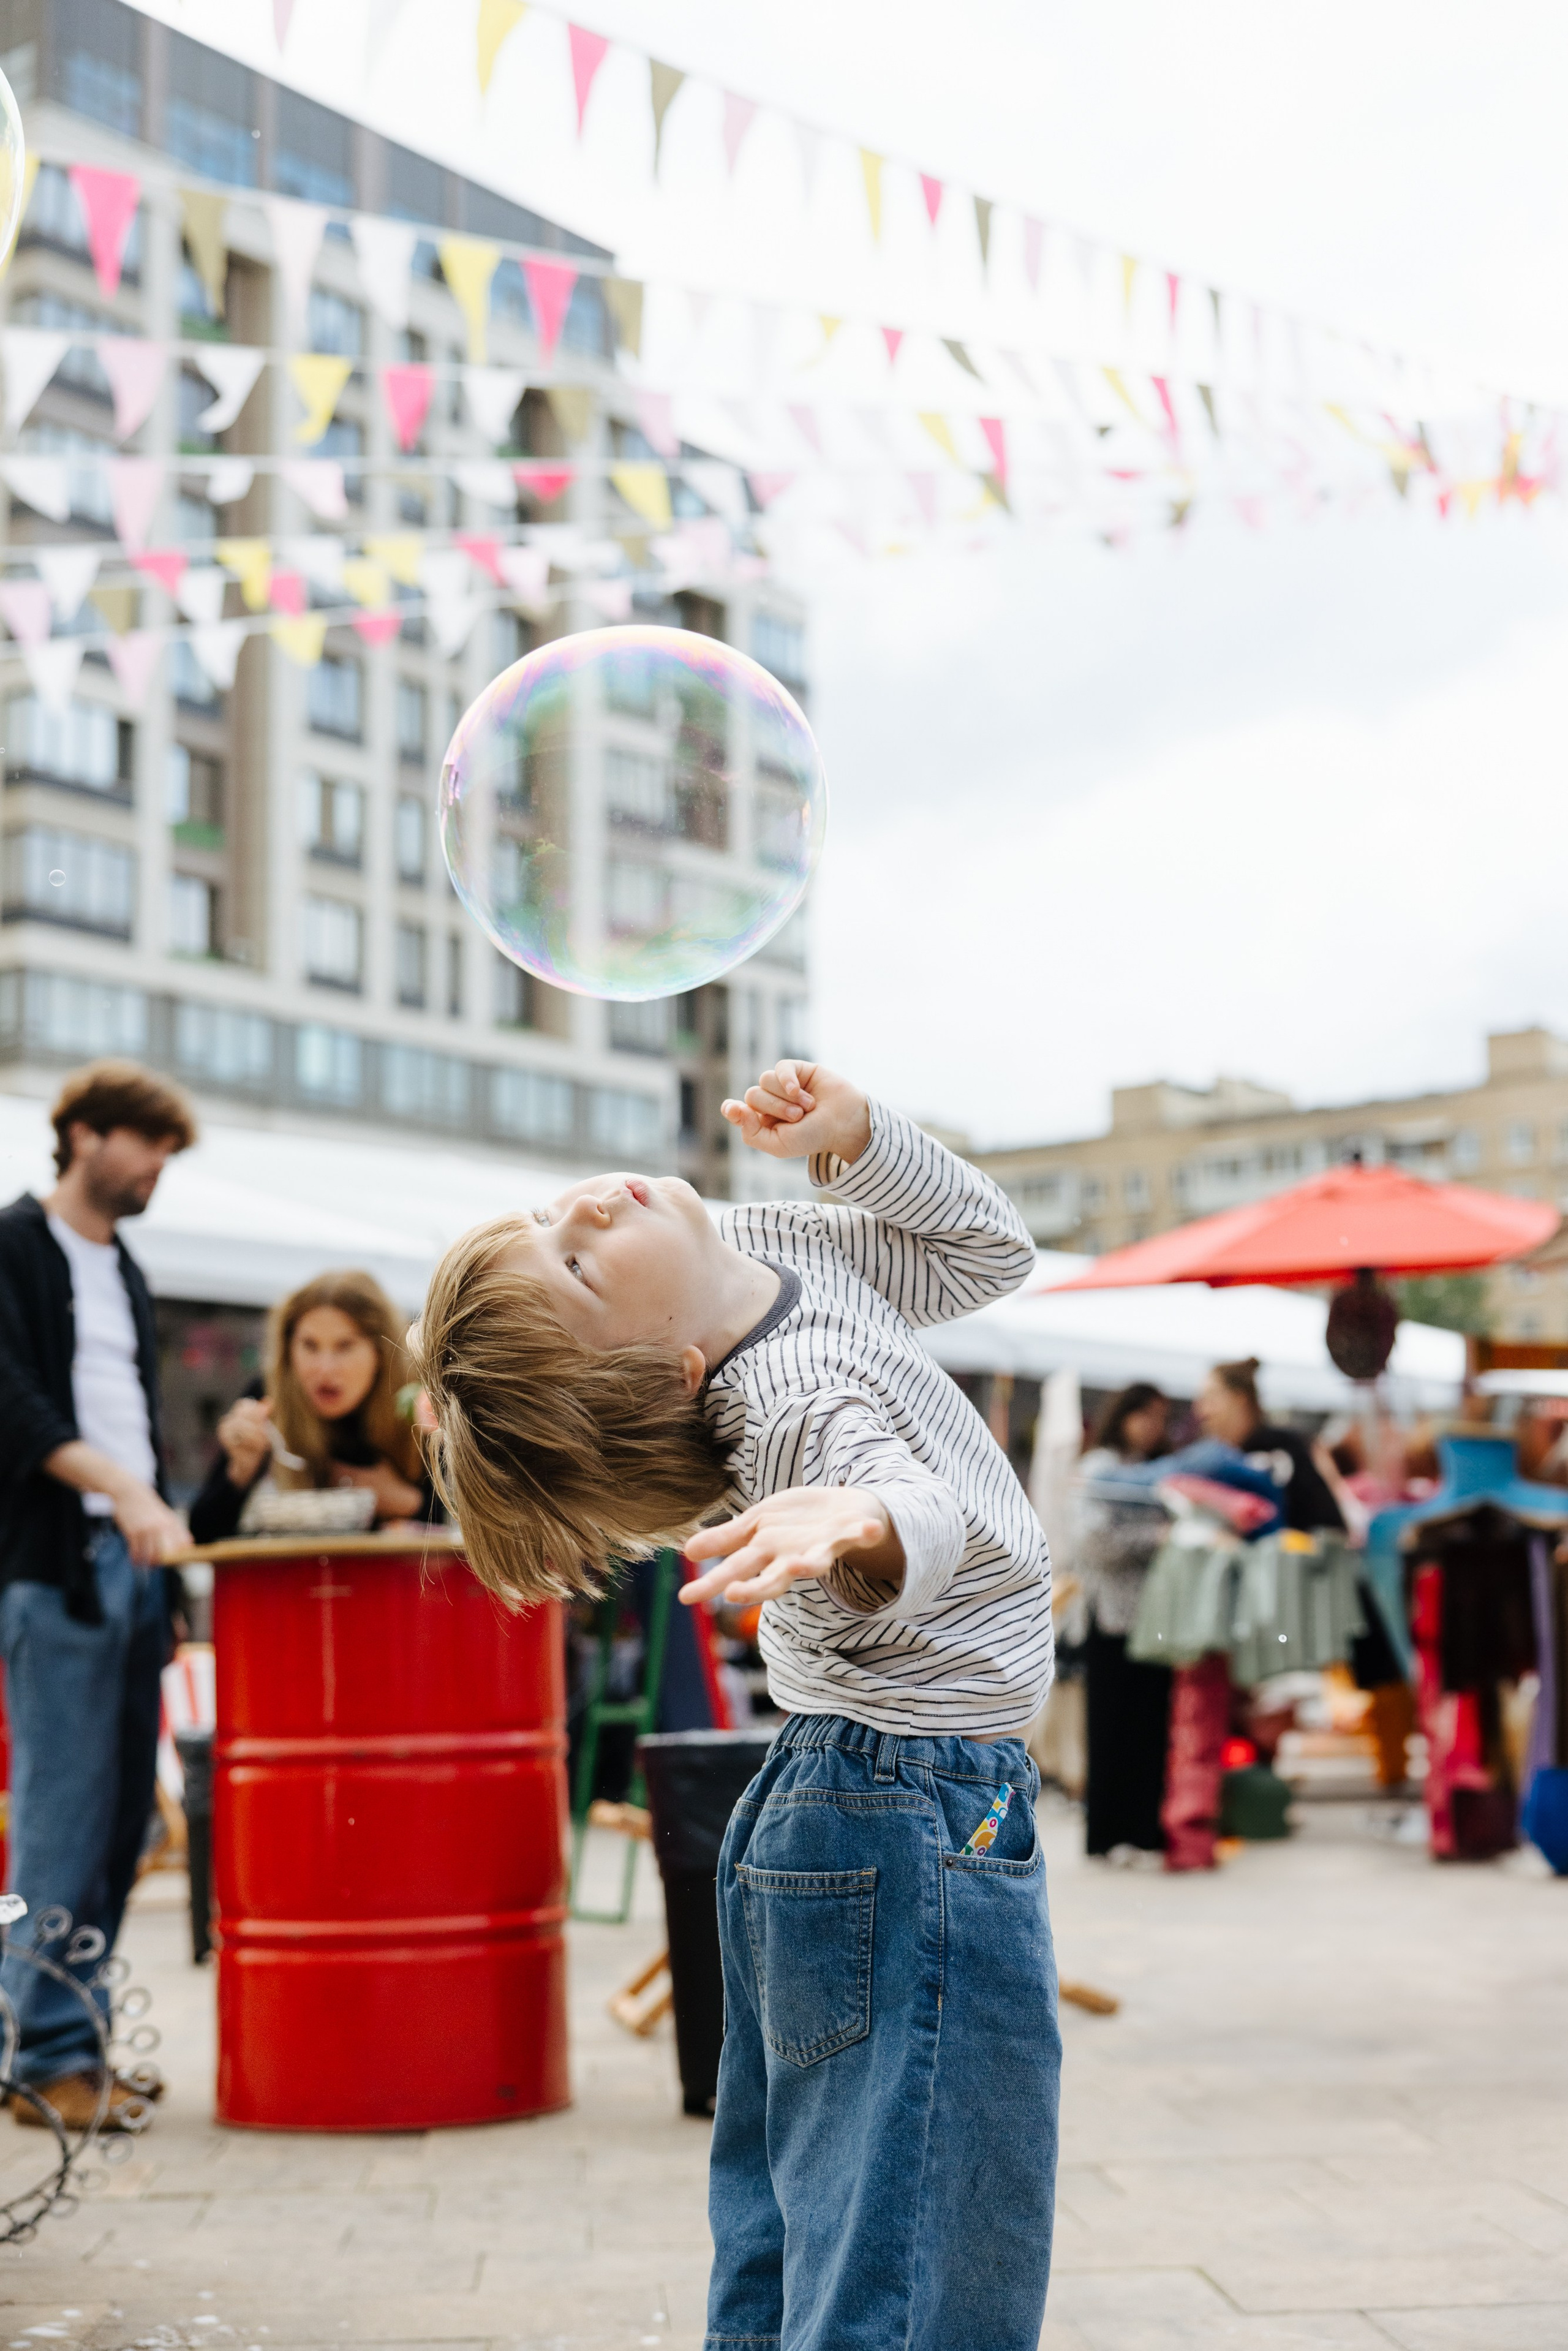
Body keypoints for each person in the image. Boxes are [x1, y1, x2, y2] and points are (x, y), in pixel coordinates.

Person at [410, 1059, 1060, 2351]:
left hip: (841, 1806)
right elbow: (881, 1484)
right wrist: (866, 1516)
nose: (585, 1211)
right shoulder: (782, 1393)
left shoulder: (767, 1246)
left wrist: (863, 1142)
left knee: (803, 2223)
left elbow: (986, 1253)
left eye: (554, 1219)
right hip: (910, 1810)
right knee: (919, 2244)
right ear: (669, 1372)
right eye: (579, 1268)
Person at [0, 1060, 195, 2132]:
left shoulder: (121, 1265)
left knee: (122, 1821)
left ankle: (67, 2046)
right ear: (82, 1134)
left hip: (136, 1569)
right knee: (62, 1822)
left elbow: (134, 1425)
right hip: (60, 1563)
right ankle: (41, 2059)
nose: (160, 1163)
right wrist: (123, 1490)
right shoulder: (13, 1244)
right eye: (148, 1142)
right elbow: (17, 1411)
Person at [187, 1270, 435, 1545]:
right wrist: (240, 1472)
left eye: (344, 1346)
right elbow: (202, 1531)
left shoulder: (420, 1403)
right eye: (310, 1346)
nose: (324, 1368)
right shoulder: (269, 1399)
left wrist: (407, 1502)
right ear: (288, 1348)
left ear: (381, 1352)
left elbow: (471, 1524)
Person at [1074, 1382, 1173, 1858]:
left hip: (1156, 1618)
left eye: (1161, 1416)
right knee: (1113, 1728)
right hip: (1112, 1615)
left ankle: (1144, 1829)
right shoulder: (1101, 1470)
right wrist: (1157, 1537)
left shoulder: (1162, 1471)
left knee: (1150, 1726)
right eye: (1145, 1415)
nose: (1153, 1426)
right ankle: (1110, 1832)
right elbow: (1094, 1542)